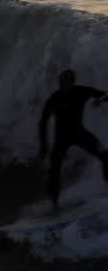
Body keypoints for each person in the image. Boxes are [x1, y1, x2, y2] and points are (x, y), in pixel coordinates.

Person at [38, 69, 108, 209]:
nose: (63, 85)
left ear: (72, 82)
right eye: (61, 82)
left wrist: (99, 100)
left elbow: (106, 95)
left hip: (79, 134)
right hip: (61, 139)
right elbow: (43, 122)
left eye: (66, 82)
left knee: (106, 156)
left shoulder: (81, 91)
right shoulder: (55, 98)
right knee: (54, 169)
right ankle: (55, 205)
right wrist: (44, 145)